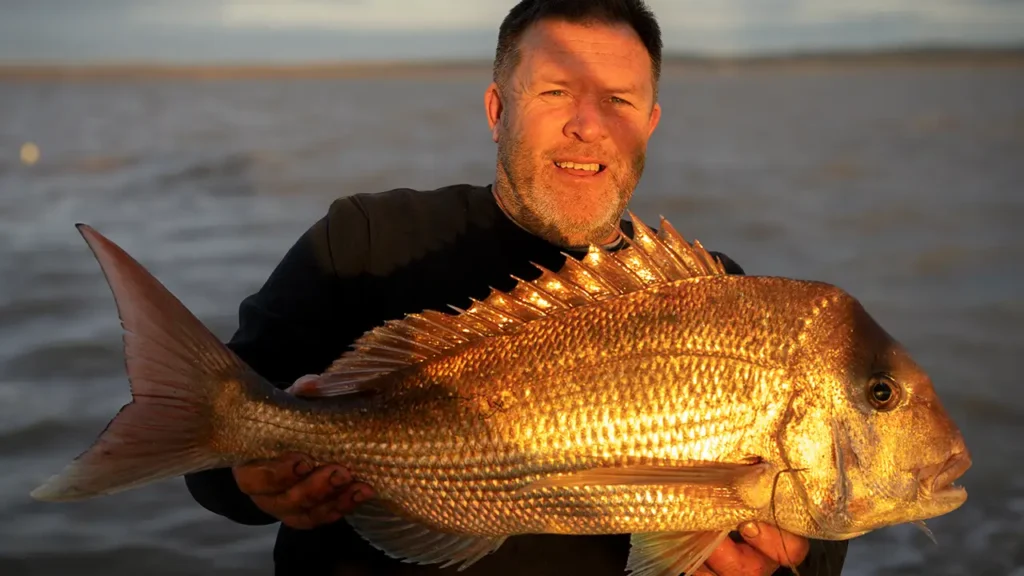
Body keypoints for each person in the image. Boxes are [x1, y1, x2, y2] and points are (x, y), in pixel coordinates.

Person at [184, 1, 849, 574]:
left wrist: (785, 559)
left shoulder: (718, 298)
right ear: (498, 108)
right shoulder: (365, 241)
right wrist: (250, 478)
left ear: (648, 123)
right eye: (556, 92)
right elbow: (210, 448)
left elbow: (824, 514)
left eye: (618, 100)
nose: (588, 125)